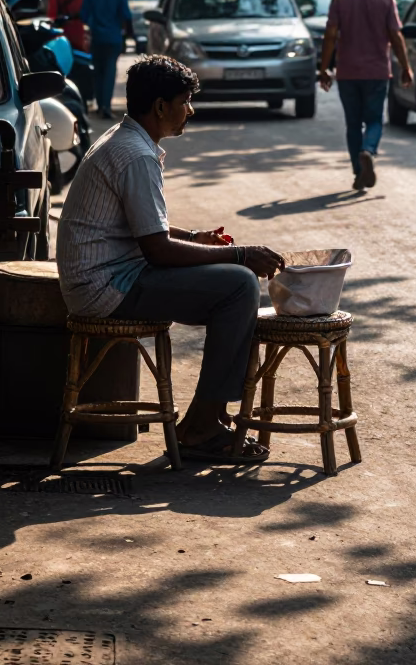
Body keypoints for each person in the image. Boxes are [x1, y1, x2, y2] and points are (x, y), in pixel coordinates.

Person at [57, 55, 284, 463]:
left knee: (234, 286)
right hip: (105, 287)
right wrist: (242, 255)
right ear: (161, 106)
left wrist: (197, 239)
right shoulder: (136, 154)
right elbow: (157, 249)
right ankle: (201, 426)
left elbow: (147, 227)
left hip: (111, 275)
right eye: (185, 101)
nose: (190, 111)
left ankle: (209, 418)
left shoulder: (126, 139)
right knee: (239, 285)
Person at [319, 0, 414, 191]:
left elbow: (330, 35)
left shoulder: (339, 0)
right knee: (374, 120)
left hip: (348, 72)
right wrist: (406, 66)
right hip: (377, 71)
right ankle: (368, 150)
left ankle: (358, 171)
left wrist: (324, 68)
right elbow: (396, 35)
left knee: (353, 124)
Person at [81, 0, 132, 119]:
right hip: (113, 38)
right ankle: (106, 107)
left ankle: (99, 104)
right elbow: (126, 16)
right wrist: (130, 36)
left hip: (97, 37)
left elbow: (83, 16)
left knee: (98, 71)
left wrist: (93, 24)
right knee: (110, 71)